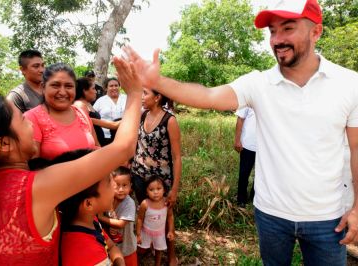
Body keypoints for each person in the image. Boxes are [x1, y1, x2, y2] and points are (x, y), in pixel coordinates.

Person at [119, 0, 358, 264]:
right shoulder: (259, 83)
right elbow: (209, 96)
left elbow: (356, 149)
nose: (277, 39)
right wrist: (157, 82)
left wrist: (357, 208)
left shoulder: (349, 84)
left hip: (328, 217)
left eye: (288, 28)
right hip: (271, 214)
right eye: (272, 31)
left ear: (316, 32)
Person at [0, 55, 142, 265]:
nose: (31, 125)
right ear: (3, 144)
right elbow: (123, 148)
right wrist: (135, 92)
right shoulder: (35, 187)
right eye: (23, 120)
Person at [30, 149, 125, 266]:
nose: (115, 184)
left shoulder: (88, 220)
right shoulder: (87, 255)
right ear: (88, 204)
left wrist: (119, 261)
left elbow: (110, 246)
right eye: (109, 181)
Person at [130, 88, 181, 265]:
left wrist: (174, 189)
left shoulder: (170, 120)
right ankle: (149, 245)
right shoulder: (143, 115)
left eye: (145, 93)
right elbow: (130, 136)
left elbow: (176, 157)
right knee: (146, 213)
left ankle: (171, 254)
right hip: (139, 176)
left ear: (157, 97)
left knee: (165, 215)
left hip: (161, 180)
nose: (142, 97)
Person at [25, 63, 100, 159]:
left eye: (68, 86)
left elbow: (96, 148)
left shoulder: (81, 113)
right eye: (55, 85)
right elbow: (31, 166)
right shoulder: (31, 118)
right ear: (43, 87)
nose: (62, 92)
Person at [99, 167, 138, 266]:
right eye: (117, 185)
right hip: (111, 248)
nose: (121, 189)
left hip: (127, 248)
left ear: (130, 186)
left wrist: (101, 218)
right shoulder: (108, 199)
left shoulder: (129, 203)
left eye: (125, 185)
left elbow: (121, 224)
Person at [136, 176, 175, 266]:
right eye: (151, 189)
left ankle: (157, 264)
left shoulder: (166, 203)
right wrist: (138, 234)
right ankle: (136, 262)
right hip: (146, 232)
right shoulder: (145, 204)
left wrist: (170, 231)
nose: (156, 192)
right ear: (146, 191)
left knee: (159, 250)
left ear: (164, 190)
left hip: (160, 233)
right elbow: (140, 219)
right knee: (140, 249)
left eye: (158, 188)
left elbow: (170, 217)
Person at [94, 77, 127, 145]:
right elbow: (94, 116)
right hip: (106, 137)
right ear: (106, 88)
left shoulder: (126, 98)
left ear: (119, 87)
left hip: (125, 135)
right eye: (111, 86)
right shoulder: (100, 101)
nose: (114, 88)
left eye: (116, 85)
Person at [234, 107, 256, 206]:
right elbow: (240, 119)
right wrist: (237, 140)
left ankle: (254, 198)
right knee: (244, 174)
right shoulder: (248, 98)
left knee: (261, 176)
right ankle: (241, 199)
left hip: (264, 147)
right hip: (248, 145)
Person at [73, 77, 106, 146]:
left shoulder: (88, 104)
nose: (96, 92)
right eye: (93, 88)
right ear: (84, 90)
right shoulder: (80, 105)